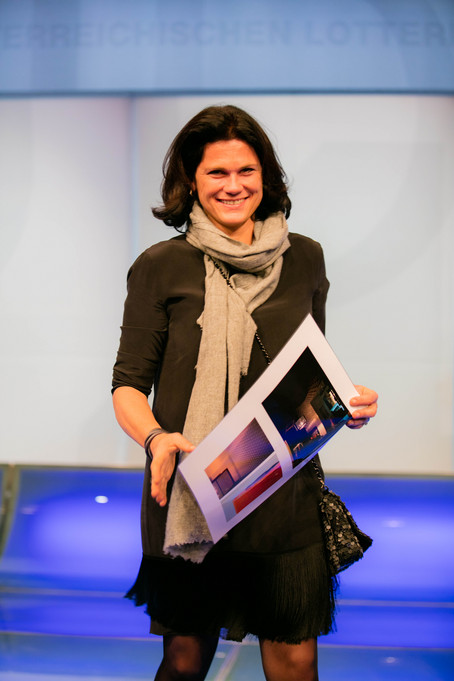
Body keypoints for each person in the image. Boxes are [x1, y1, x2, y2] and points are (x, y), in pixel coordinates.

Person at [112, 104, 378, 681]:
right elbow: (128, 385)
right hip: (191, 488)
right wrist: (155, 438)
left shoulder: (305, 258)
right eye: (217, 172)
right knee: (185, 662)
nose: (233, 186)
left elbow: (310, 371)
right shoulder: (161, 266)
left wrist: (346, 401)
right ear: (191, 181)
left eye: (246, 171)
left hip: (281, 489)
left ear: (266, 176)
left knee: (295, 662)